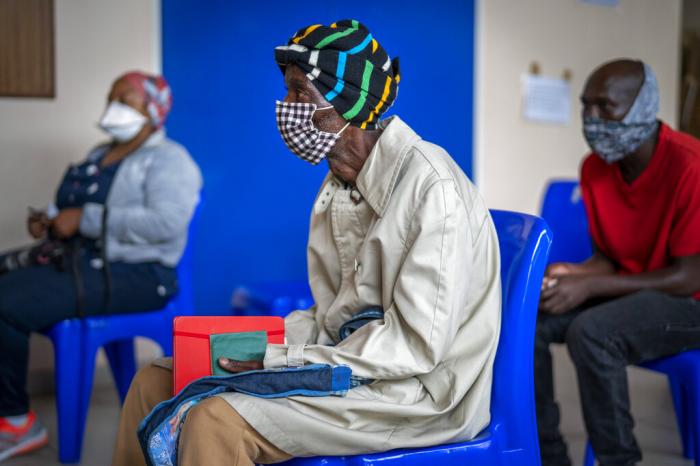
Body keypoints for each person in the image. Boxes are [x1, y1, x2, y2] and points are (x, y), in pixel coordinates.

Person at [112, 19, 501, 466]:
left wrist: (281, 359)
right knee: (156, 379)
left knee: (215, 420)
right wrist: (241, 346)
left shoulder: (431, 189)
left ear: (348, 100)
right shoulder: (338, 185)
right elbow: (331, 317)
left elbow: (413, 348)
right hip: (357, 368)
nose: (287, 107)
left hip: (416, 394)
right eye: (288, 92)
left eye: (301, 93)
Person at [0, 71, 202, 462]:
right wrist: (53, 220)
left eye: (124, 100)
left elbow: (166, 223)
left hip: (141, 275)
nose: (114, 109)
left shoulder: (170, 160)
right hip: (83, 263)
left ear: (153, 110)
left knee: (5, 305)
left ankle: (17, 422)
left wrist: (85, 219)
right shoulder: (98, 154)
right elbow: (75, 212)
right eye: (111, 98)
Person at [535, 59, 700, 466]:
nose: (592, 119)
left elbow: (687, 275)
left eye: (605, 106)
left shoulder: (690, 165)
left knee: (592, 333)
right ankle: (549, 456)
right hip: (640, 290)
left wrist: (590, 286)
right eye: (585, 106)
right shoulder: (594, 169)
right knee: (531, 321)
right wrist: (576, 273)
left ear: (644, 107)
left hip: (690, 298)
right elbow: (612, 258)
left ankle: (618, 460)